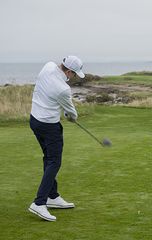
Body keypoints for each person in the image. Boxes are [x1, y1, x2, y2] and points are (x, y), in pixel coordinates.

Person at [28, 56, 85, 221]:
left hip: (35, 121)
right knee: (54, 161)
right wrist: (72, 116)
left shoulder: (48, 66)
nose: (74, 77)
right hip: (49, 126)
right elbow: (71, 112)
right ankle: (39, 203)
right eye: (74, 74)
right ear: (68, 71)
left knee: (48, 158)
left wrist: (67, 113)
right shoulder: (63, 89)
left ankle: (52, 196)